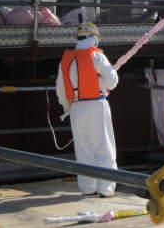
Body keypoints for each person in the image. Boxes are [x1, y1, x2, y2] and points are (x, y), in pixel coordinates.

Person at [55, 22, 119, 198]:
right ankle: (106, 189)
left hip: (75, 108)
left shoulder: (66, 60)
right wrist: (111, 73)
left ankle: (87, 188)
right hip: (96, 105)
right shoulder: (97, 57)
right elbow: (112, 82)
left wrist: (67, 107)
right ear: (94, 39)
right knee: (105, 148)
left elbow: (60, 89)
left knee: (83, 151)